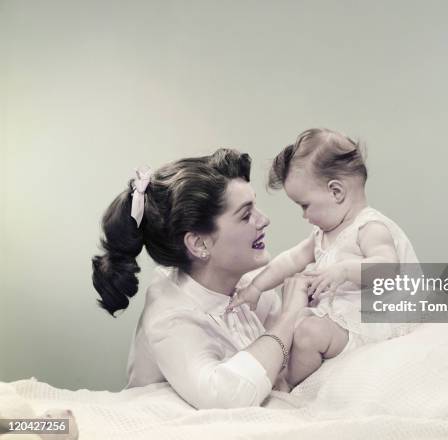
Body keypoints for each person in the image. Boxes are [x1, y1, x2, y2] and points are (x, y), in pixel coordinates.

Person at [91, 149, 308, 409]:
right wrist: (290, 316)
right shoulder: (169, 316)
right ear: (198, 244)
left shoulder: (243, 279)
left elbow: (293, 350)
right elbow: (228, 396)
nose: (264, 220)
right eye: (245, 214)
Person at [228, 128, 420, 387]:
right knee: (293, 322)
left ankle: (288, 386)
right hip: (340, 321)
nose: (304, 216)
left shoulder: (370, 227)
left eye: (304, 205)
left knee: (308, 333)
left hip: (371, 324)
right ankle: (291, 373)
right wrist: (255, 288)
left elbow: (388, 267)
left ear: (336, 192)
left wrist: (344, 270)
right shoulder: (322, 233)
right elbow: (289, 260)